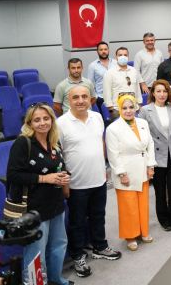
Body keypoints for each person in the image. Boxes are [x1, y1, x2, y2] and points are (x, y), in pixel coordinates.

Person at [57, 86, 121, 278]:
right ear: (69, 100)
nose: (81, 100)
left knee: (98, 215)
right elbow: (58, 155)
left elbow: (100, 143)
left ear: (90, 99)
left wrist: (104, 168)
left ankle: (100, 246)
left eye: (84, 96)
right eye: (76, 97)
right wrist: (65, 184)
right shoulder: (61, 123)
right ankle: (77, 255)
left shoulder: (97, 117)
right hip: (76, 183)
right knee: (77, 222)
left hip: (99, 179)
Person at [7, 104, 70, 285]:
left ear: (52, 120)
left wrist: (64, 176)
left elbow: (58, 166)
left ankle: (55, 279)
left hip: (56, 203)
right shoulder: (23, 143)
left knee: (59, 245)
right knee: (36, 252)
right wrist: (44, 178)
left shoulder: (54, 141)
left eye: (46, 118)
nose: (42, 123)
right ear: (29, 123)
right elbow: (13, 175)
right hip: (34, 208)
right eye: (37, 120)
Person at [106, 94, 157, 251]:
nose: (128, 111)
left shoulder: (142, 123)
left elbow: (150, 144)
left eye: (131, 107)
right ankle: (130, 236)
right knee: (128, 206)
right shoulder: (113, 128)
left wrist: (150, 165)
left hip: (142, 167)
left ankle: (144, 231)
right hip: (125, 170)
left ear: (136, 108)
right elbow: (113, 154)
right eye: (124, 108)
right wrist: (122, 173)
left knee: (143, 203)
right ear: (119, 109)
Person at [138, 80, 171, 233]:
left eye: (164, 91)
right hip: (156, 156)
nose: (162, 94)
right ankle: (164, 220)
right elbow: (143, 136)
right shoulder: (145, 110)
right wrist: (147, 160)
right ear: (153, 93)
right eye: (158, 91)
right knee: (160, 191)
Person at [103, 47, 146, 118]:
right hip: (117, 110)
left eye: (125, 55)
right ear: (116, 57)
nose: (123, 57)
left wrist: (139, 104)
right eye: (120, 55)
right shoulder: (109, 73)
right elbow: (107, 93)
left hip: (134, 109)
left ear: (128, 56)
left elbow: (137, 90)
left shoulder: (134, 71)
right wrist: (111, 109)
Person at [87, 41, 117, 113]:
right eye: (101, 50)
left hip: (116, 96)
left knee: (118, 117)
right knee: (104, 119)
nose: (103, 51)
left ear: (108, 50)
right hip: (101, 98)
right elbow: (90, 84)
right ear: (97, 51)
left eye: (105, 49)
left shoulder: (116, 63)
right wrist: (96, 97)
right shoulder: (92, 66)